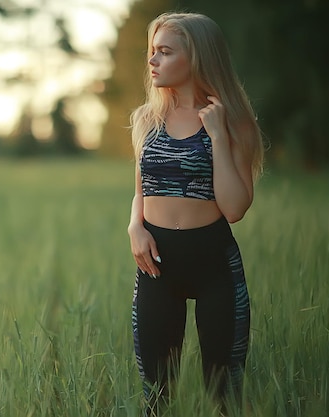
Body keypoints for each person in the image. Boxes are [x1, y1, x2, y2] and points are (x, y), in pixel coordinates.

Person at [127, 11, 264, 416]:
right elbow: (140, 191)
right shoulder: (147, 120)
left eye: (165, 52)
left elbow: (235, 208)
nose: (153, 60)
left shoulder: (233, 122)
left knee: (225, 395)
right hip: (156, 265)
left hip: (214, 266)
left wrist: (218, 137)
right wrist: (135, 226)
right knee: (156, 397)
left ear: (198, 58)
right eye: (152, 51)